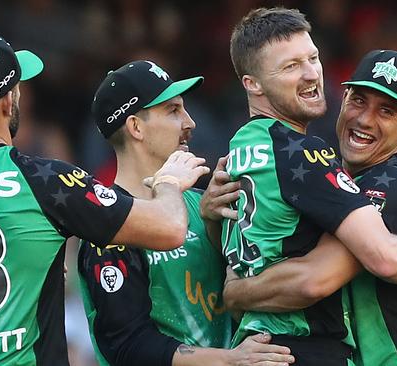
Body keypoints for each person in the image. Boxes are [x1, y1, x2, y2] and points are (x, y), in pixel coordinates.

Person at [0, 32, 211, 366]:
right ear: (8, 100)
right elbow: (169, 228)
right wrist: (168, 182)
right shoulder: (42, 180)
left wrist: (2, 288)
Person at [218, 7, 397, 366]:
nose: (365, 119)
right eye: (359, 100)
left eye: (386, 111)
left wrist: (235, 292)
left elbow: (316, 278)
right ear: (344, 97)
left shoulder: (392, 187)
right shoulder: (312, 168)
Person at [77, 60, 295, 366]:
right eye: (173, 110)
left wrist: (212, 225)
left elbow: (245, 289)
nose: (190, 123)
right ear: (136, 127)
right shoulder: (110, 225)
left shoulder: (203, 203)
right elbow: (128, 346)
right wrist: (231, 360)